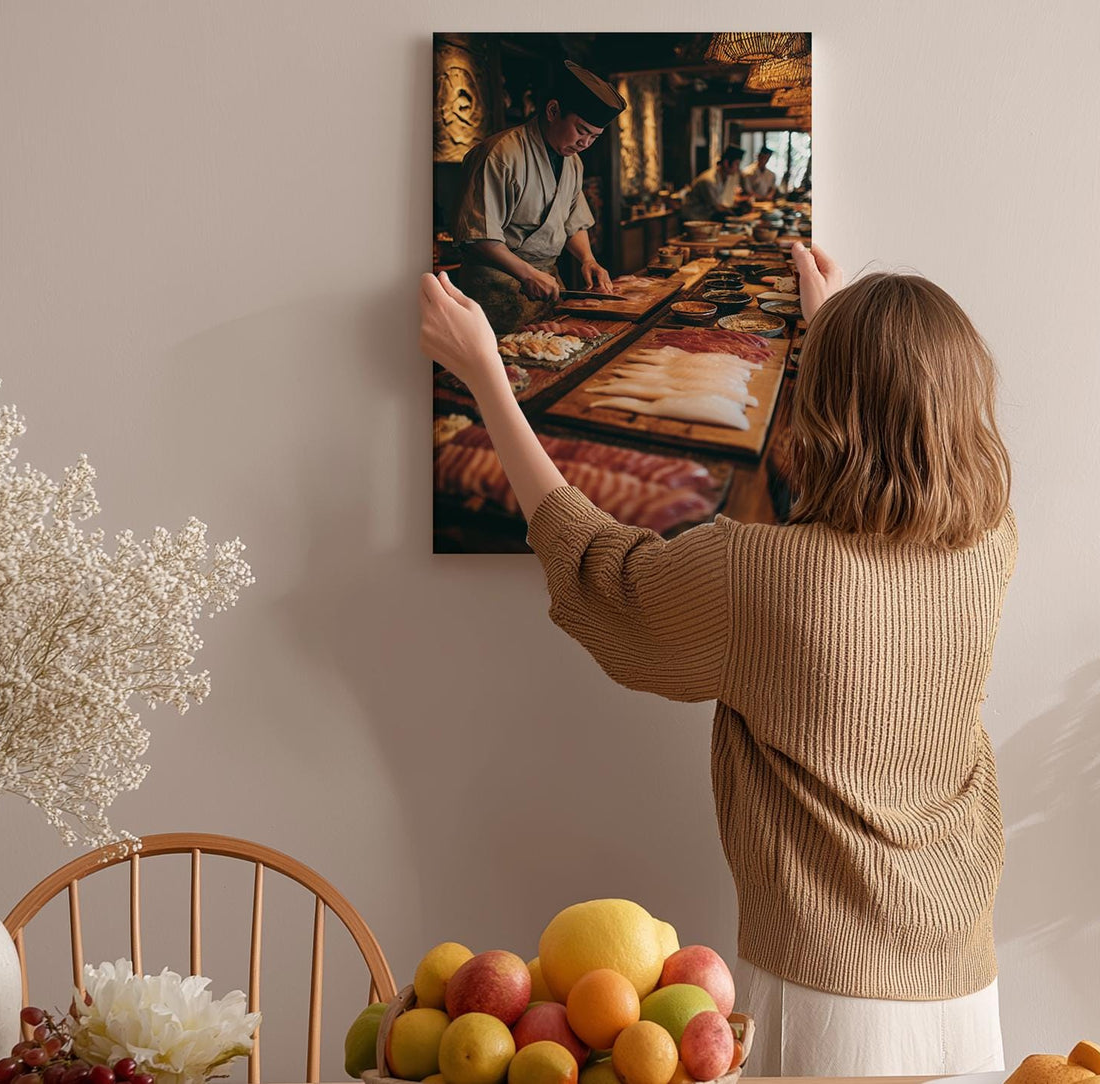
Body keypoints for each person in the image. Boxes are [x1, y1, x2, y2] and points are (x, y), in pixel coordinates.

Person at [418, 242, 1017, 1077]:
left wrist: (487, 375)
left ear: (825, 405)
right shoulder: (990, 546)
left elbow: (600, 569)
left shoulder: (760, 574)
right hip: (964, 986)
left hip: (824, 996)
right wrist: (834, 331)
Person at [453, 59, 626, 333]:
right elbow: (478, 237)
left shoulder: (573, 162)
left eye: (594, 137)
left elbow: (572, 222)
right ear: (553, 111)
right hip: (492, 291)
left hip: (544, 286)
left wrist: (588, 259)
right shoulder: (501, 155)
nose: (585, 143)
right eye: (581, 131)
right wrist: (527, 273)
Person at [680, 144, 746, 222]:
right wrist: (738, 217)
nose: (738, 168)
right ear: (726, 163)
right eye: (737, 164)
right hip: (693, 219)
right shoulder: (709, 180)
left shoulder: (724, 177)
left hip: (705, 217)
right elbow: (717, 207)